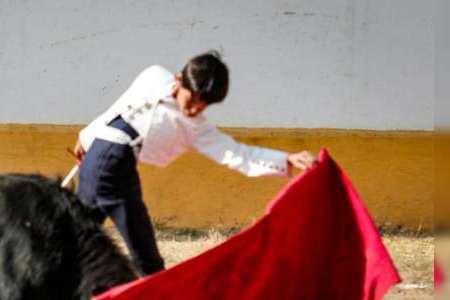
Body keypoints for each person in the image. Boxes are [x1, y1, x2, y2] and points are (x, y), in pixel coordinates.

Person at [70, 51, 316, 276]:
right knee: (145, 258)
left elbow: (238, 154)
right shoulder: (154, 76)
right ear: (179, 79)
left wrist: (286, 159)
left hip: (109, 160)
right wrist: (87, 137)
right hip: (111, 162)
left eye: (204, 104)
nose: (195, 109)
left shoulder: (196, 128)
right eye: (193, 99)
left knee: (79, 242)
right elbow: (120, 106)